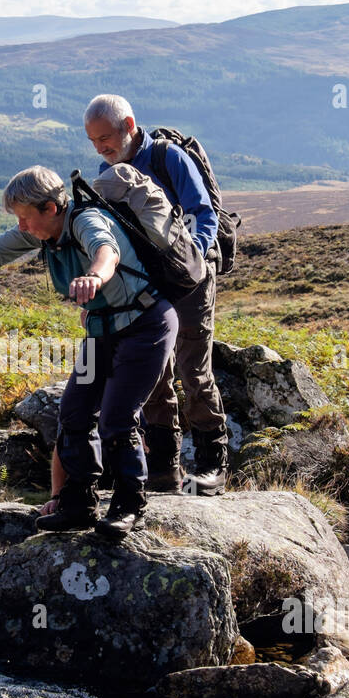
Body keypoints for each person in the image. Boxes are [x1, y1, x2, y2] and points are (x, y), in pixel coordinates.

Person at [0, 165, 177, 537]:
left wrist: (95, 278)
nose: (21, 226)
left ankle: (130, 505)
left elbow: (106, 251)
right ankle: (78, 502)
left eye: (24, 218)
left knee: (117, 418)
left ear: (51, 208)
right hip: (104, 330)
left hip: (146, 325)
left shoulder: (87, 220)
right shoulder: (43, 233)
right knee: (75, 411)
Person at [82, 93, 230, 496]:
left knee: (192, 369)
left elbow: (203, 213)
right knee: (152, 373)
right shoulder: (107, 170)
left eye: (106, 137)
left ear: (129, 125)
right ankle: (165, 468)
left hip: (191, 279)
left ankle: (212, 464)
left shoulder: (168, 159)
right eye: (93, 140)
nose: (101, 147)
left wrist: (192, 262)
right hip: (144, 286)